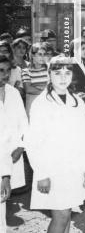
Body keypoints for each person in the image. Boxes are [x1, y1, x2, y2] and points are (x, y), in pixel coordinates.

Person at [25, 55, 85, 233]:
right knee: (60, 216)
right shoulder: (41, 103)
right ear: (49, 74)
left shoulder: (77, 102)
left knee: (68, 213)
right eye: (57, 73)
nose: (63, 78)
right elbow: (33, 141)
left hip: (74, 168)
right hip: (52, 169)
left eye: (67, 73)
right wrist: (41, 173)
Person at [0, 55, 28, 232]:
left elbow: (23, 123)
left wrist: (21, 146)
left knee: (2, 205)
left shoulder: (14, 93)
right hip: (1, 160)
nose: (4, 74)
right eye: (0, 70)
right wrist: (4, 175)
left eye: (7, 70)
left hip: (12, 156)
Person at [22, 43, 49, 116]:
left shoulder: (49, 69)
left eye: (44, 54)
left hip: (48, 105)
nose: (42, 57)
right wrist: (47, 91)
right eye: (40, 54)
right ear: (33, 55)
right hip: (33, 105)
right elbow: (28, 89)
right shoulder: (26, 71)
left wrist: (36, 88)